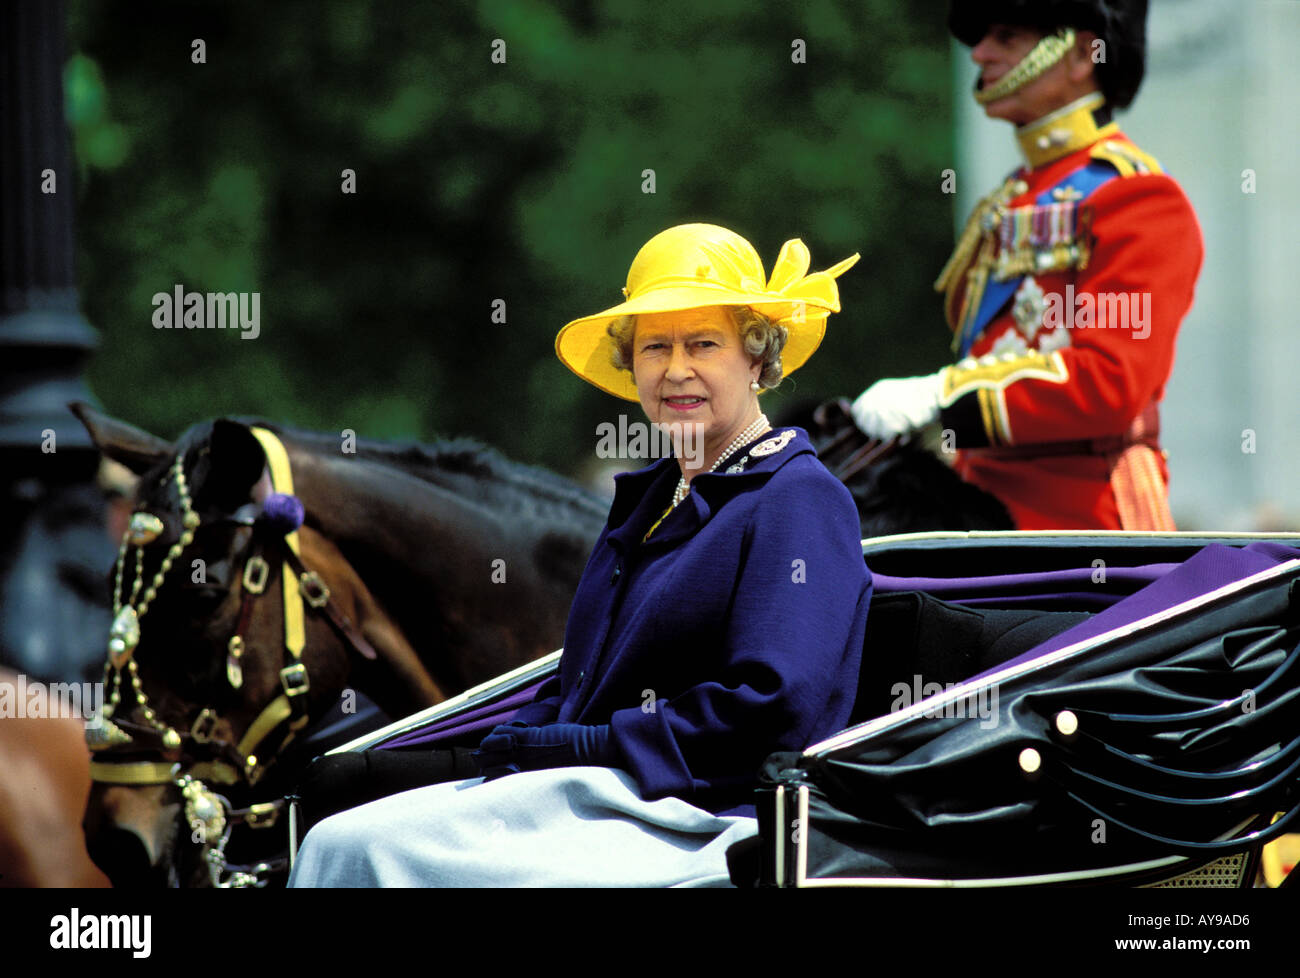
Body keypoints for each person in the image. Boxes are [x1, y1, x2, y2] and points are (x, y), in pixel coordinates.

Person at [288, 223, 870, 886]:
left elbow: (773, 709)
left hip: (708, 813)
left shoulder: (797, 498)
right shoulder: (653, 498)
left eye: (703, 344)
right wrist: (531, 732)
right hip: (603, 793)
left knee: (367, 852)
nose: (676, 369)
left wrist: (587, 744)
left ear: (758, 361)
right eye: (655, 347)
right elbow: (583, 682)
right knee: (337, 835)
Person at [850, 0, 1203, 531]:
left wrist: (942, 395)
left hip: (1082, 525)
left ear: (1084, 52)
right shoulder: (1014, 197)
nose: (980, 53)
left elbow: (1109, 383)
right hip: (980, 508)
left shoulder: (1138, 197)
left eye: (1007, 37)